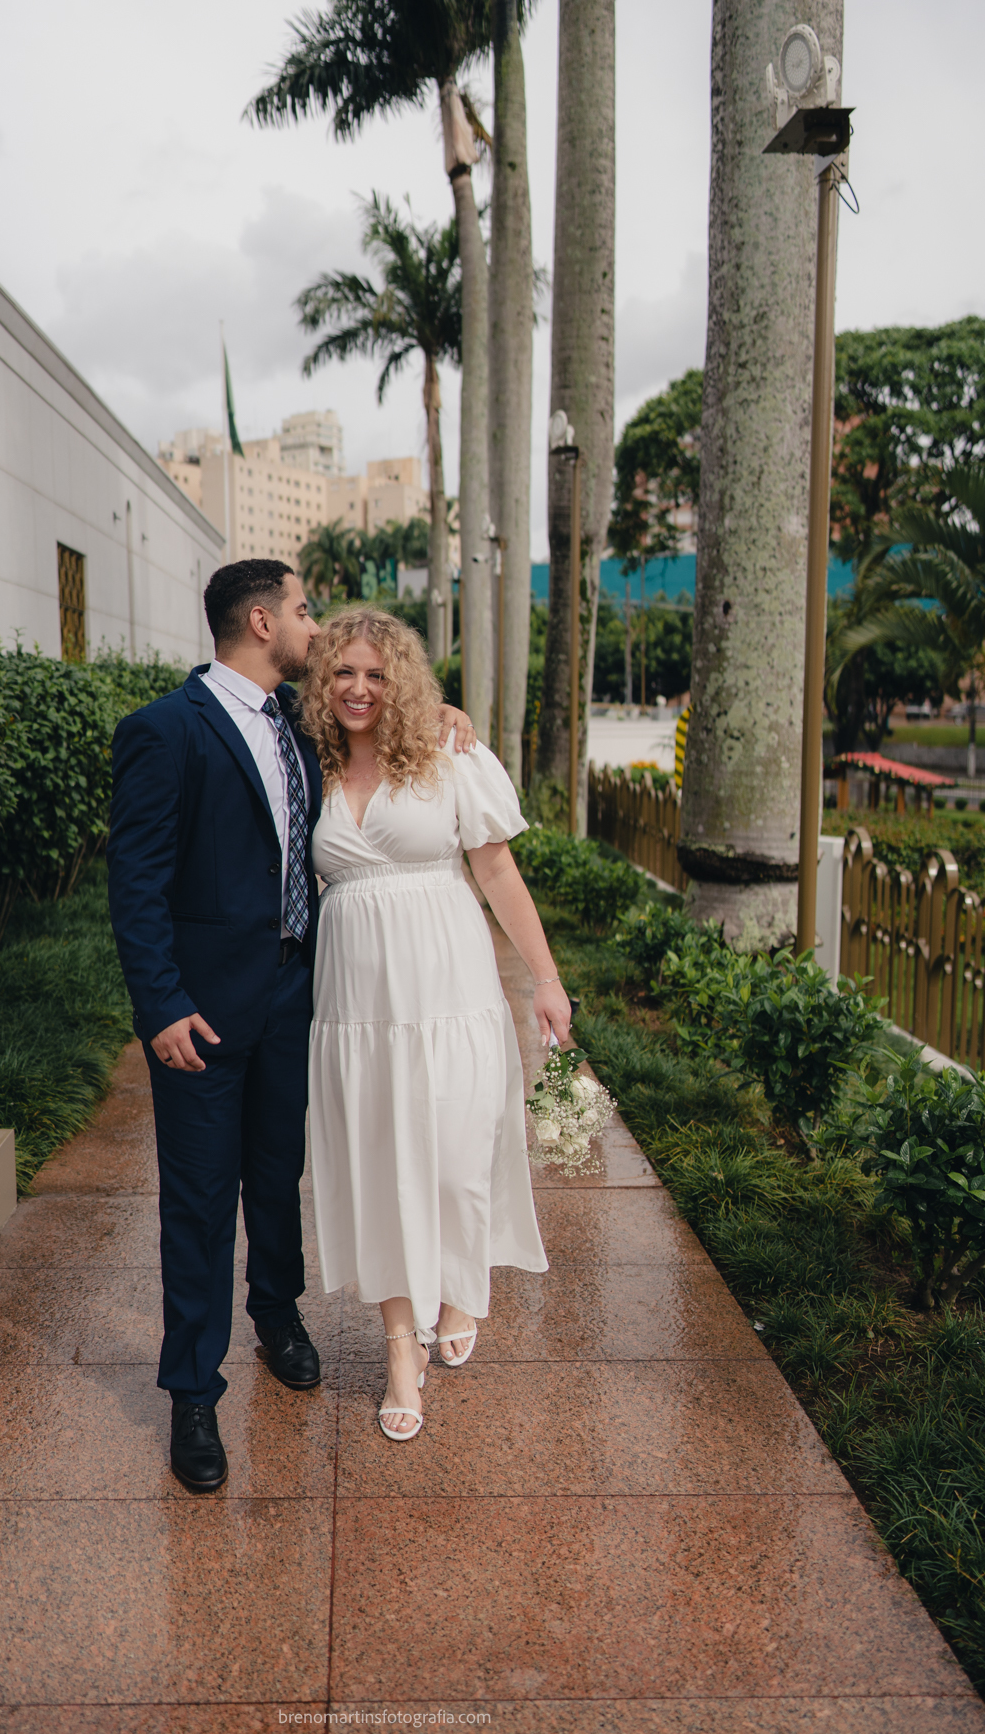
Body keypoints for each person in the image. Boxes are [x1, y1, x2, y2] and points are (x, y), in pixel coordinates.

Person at [106, 561, 475, 1490]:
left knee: (278, 1177)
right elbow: (137, 885)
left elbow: (376, 748)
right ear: (263, 621)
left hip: (297, 997)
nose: (317, 627)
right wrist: (160, 1005)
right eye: (307, 611)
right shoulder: (164, 732)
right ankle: (194, 1394)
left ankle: (278, 1317)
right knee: (197, 1203)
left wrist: (446, 718)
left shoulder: (301, 730)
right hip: (199, 1011)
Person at [300, 607, 572, 1441]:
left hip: (450, 992)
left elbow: (496, 869)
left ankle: (458, 1287)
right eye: (343, 672)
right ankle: (397, 1349)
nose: (357, 688)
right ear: (324, 682)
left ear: (404, 682)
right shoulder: (306, 763)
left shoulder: (450, 756)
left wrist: (547, 979)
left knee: (457, 1161)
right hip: (357, 1010)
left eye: (376, 674)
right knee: (380, 1168)